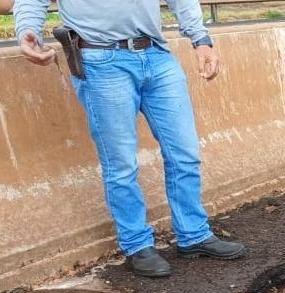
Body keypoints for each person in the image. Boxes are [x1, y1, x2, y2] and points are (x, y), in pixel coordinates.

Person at [12, 0, 247, 278]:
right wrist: (28, 30)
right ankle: (137, 244)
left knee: (185, 152)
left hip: (156, 55)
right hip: (101, 60)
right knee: (121, 163)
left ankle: (193, 234)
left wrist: (200, 39)